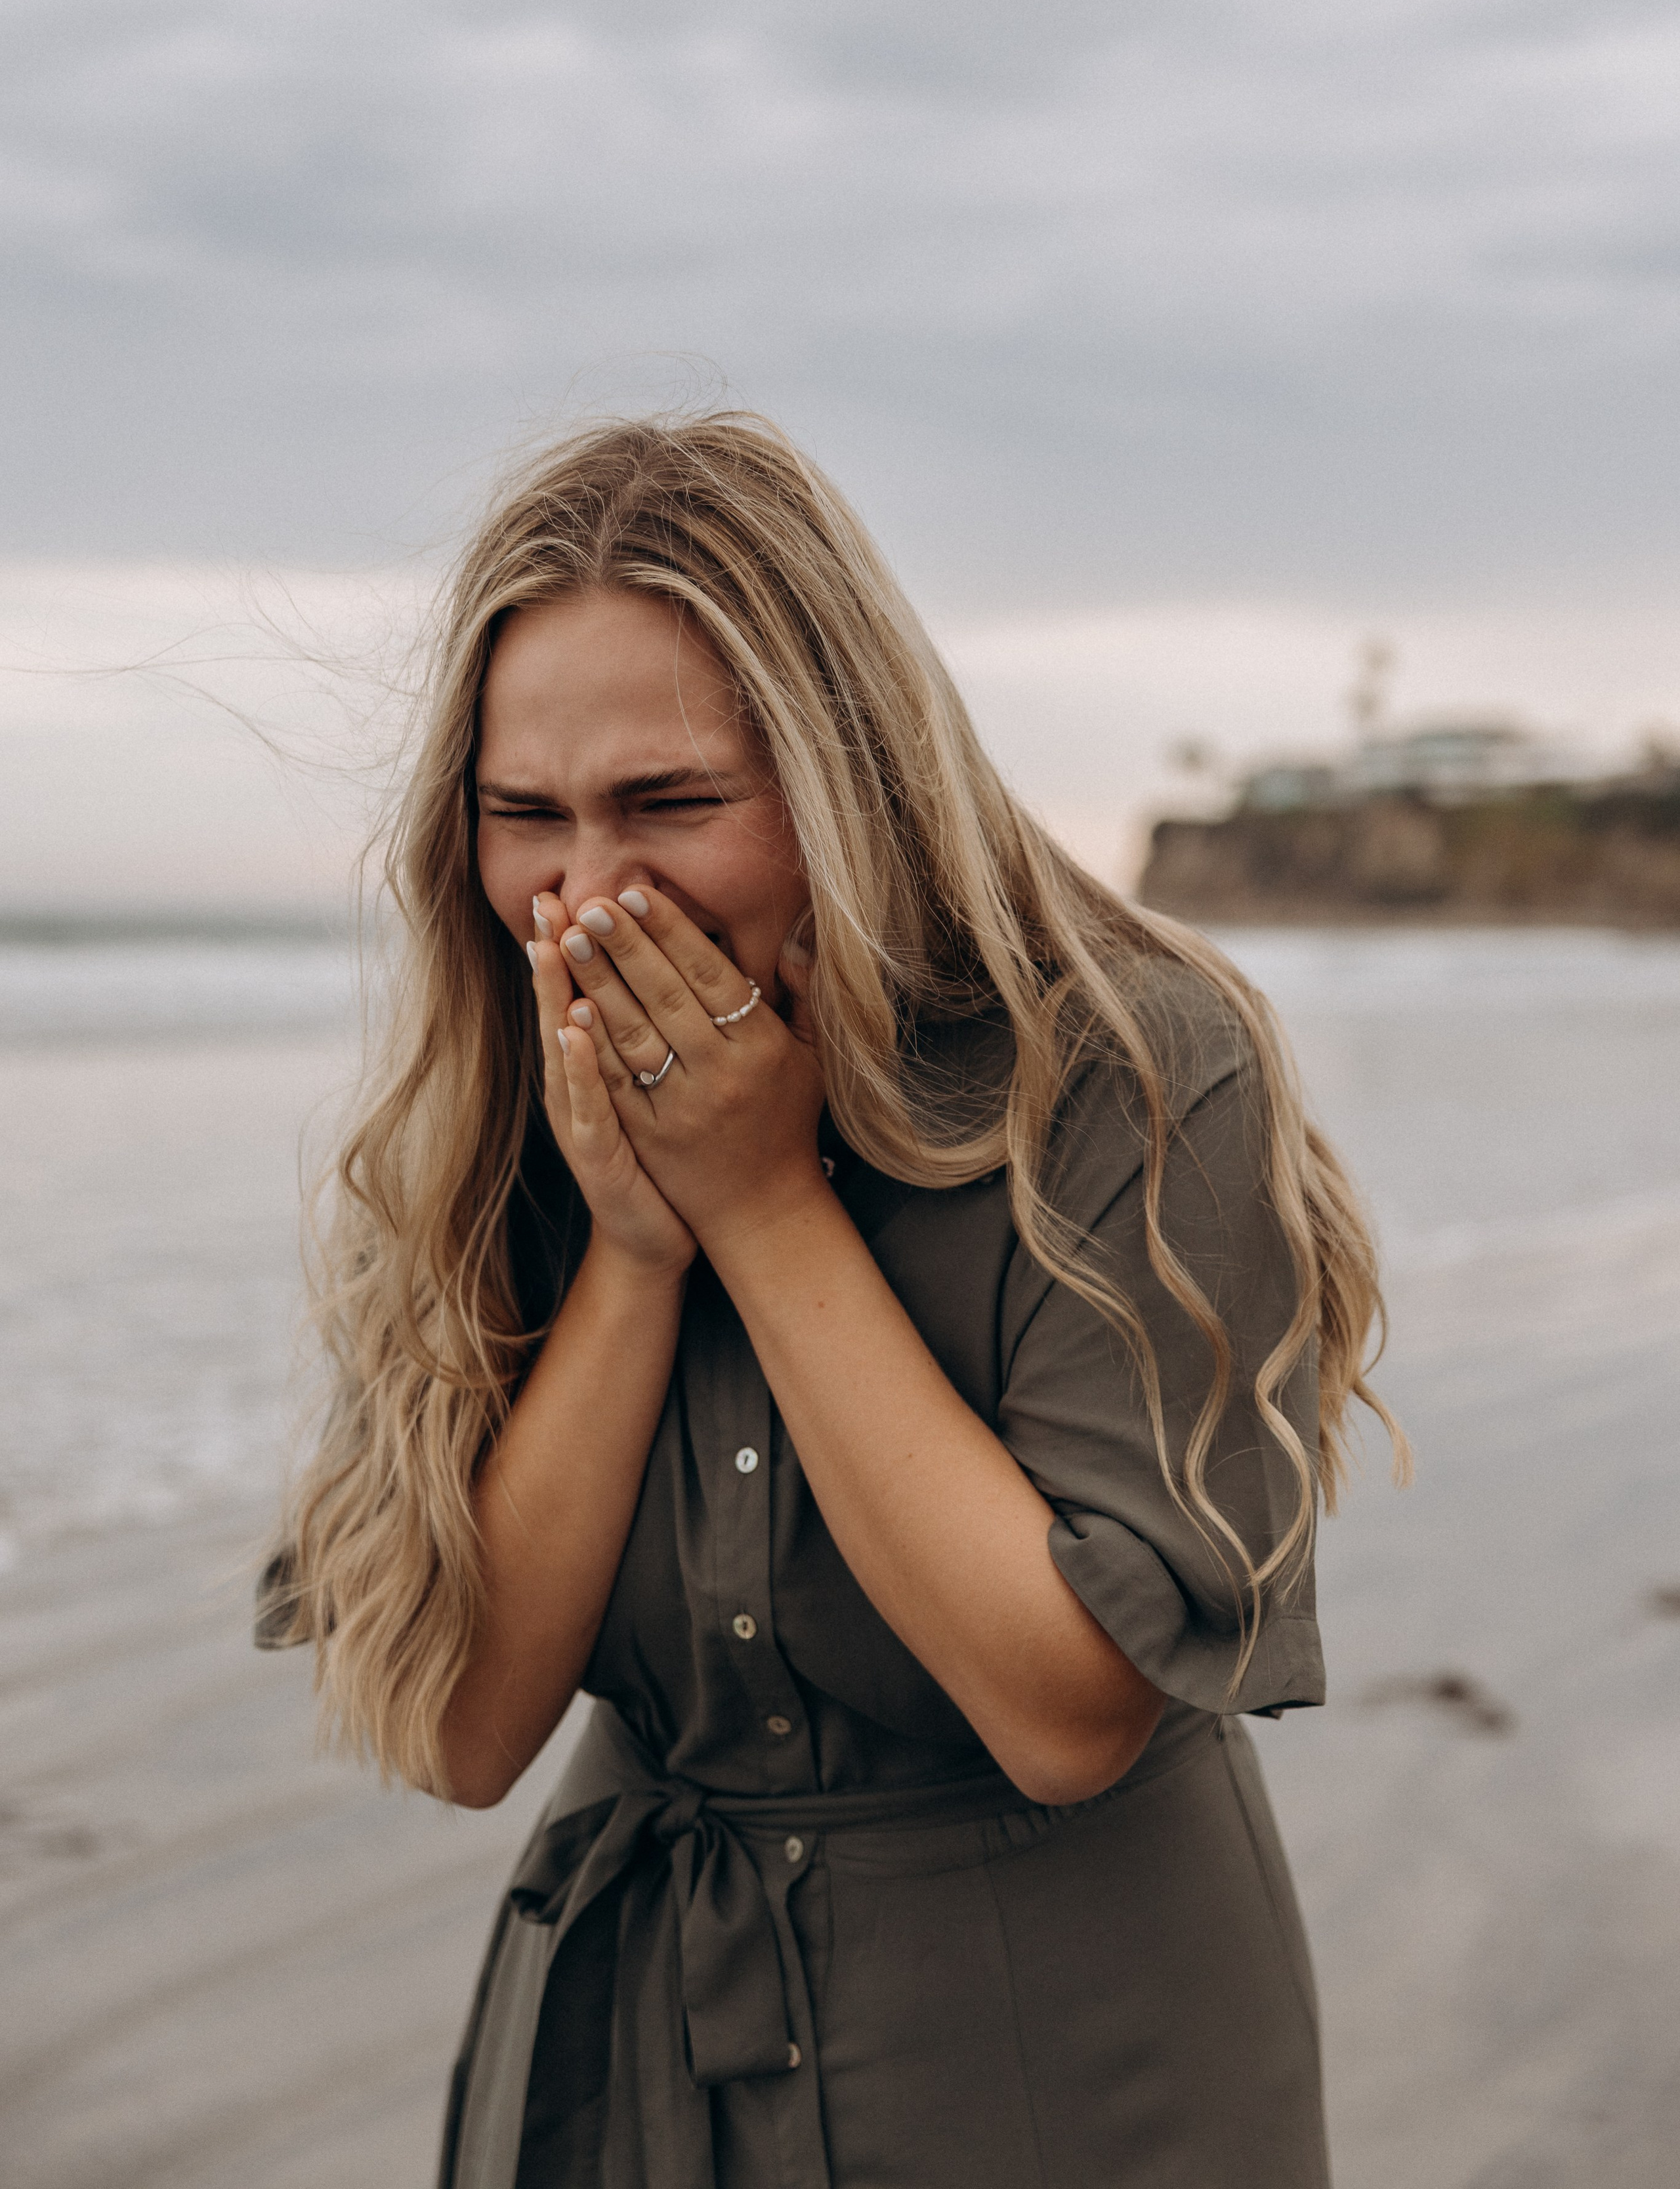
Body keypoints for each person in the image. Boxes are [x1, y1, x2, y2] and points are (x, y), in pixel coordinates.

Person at [259, 413, 1402, 2189]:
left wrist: (768, 1208)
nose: (586, 896)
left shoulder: (1137, 1071)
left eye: (672, 805)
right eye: (523, 819)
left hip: (1071, 2058)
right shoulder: (489, 1120)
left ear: (845, 782)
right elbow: (468, 1728)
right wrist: (638, 1257)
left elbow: (1071, 1712)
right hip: (637, 2064)